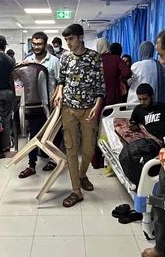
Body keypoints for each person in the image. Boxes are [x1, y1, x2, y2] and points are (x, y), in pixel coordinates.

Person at [53, 24, 105, 207]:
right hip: (68, 109)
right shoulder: (65, 58)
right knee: (71, 149)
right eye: (66, 40)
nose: (68, 43)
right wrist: (59, 91)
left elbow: (100, 86)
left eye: (71, 39)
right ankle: (76, 190)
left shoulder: (94, 57)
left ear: (80, 37)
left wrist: (97, 106)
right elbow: (61, 79)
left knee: (89, 149)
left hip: (89, 109)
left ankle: (83, 174)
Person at [18, 32, 61, 178]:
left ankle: (53, 160)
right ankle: (31, 165)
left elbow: (60, 81)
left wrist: (57, 98)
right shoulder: (28, 60)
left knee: (53, 134)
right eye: (34, 44)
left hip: (51, 104)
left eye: (39, 44)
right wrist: (21, 70)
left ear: (45, 44)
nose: (36, 47)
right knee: (33, 134)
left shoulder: (54, 61)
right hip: (33, 103)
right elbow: (19, 80)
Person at [96, 38, 131, 106]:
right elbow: (127, 73)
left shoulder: (94, 60)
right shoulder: (116, 59)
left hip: (98, 99)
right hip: (114, 96)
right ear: (108, 46)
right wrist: (119, 78)